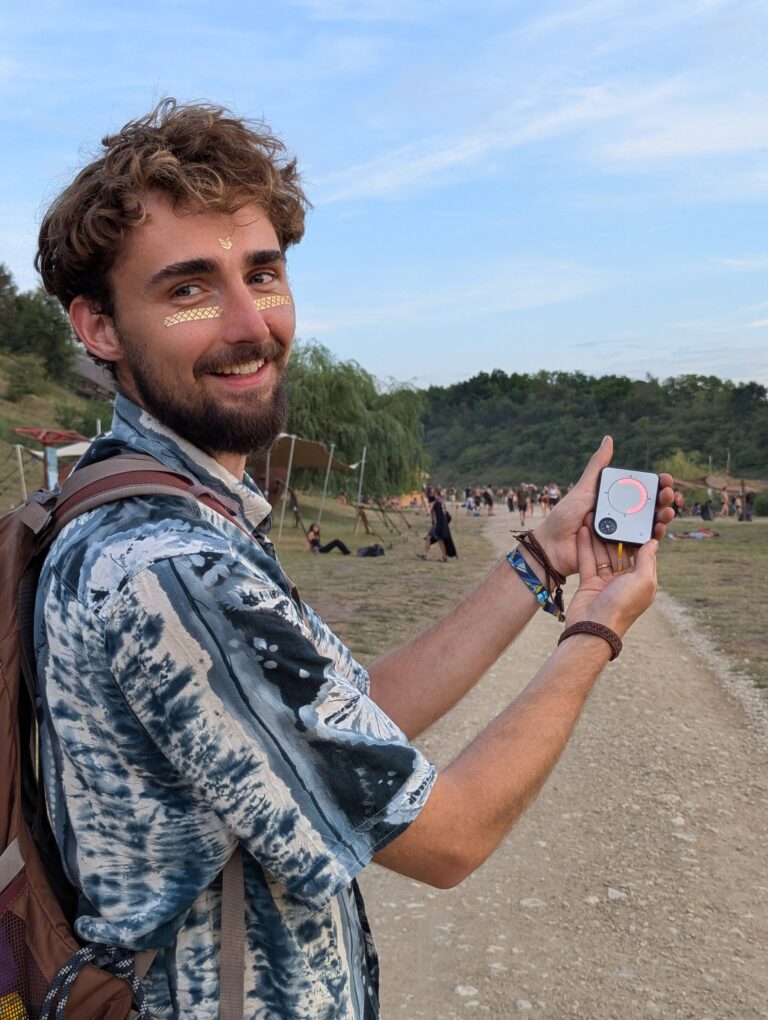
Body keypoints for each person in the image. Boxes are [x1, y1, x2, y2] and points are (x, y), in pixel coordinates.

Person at [33, 99, 674, 1020]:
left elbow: (351, 718)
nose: (249, 324)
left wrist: (542, 556)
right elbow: (450, 838)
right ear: (98, 326)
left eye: (263, 274)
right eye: (188, 290)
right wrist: (594, 630)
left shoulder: (141, 501)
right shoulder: (168, 566)